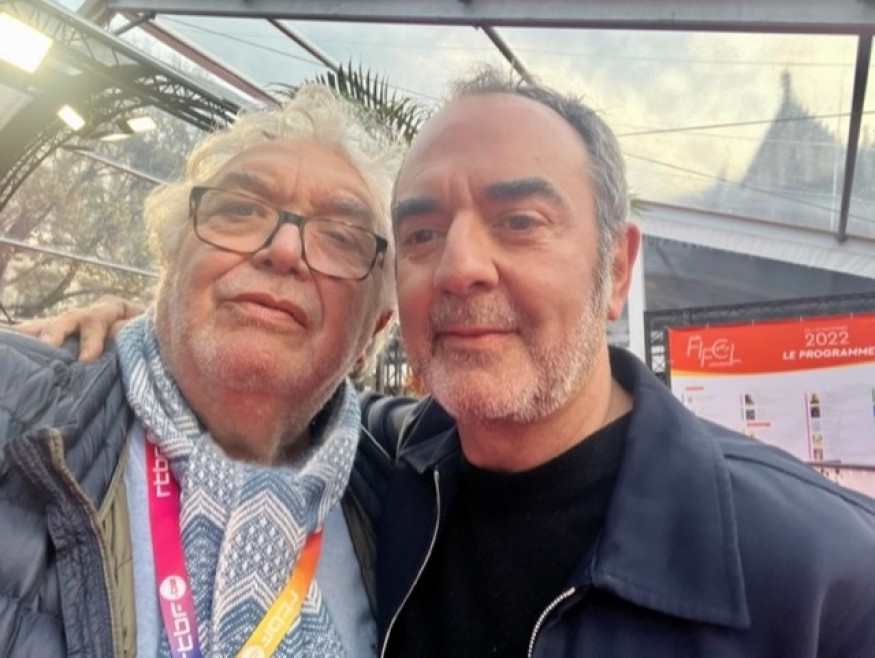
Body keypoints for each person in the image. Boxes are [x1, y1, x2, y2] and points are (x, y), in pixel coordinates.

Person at [20, 68, 875, 658]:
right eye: (422, 232)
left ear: (615, 269)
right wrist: (131, 333)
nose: (460, 266)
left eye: (519, 222)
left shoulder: (825, 575)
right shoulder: (386, 471)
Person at [0, 84, 400, 657]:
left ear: (372, 331)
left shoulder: (403, 498)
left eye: (339, 236)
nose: (284, 250)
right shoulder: (16, 406)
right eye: (241, 210)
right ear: (171, 262)